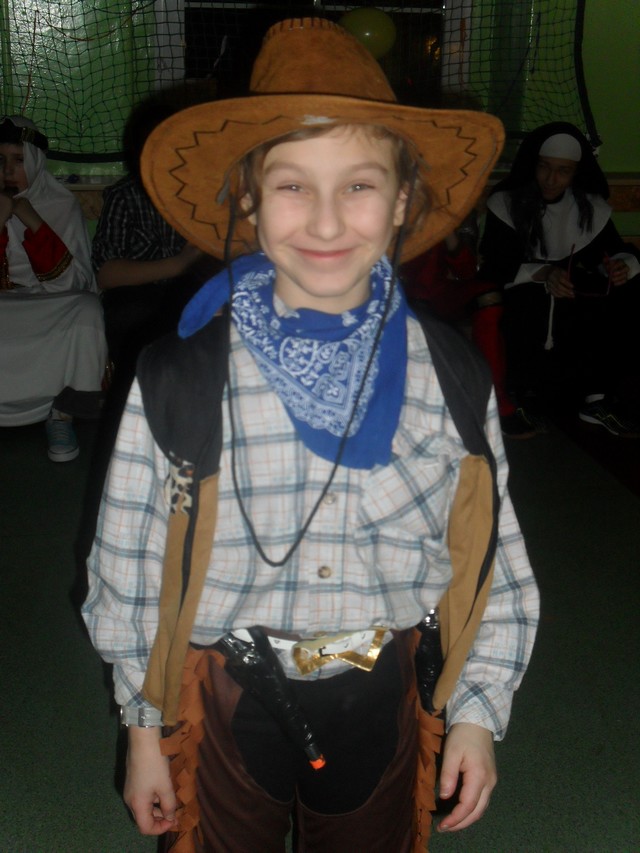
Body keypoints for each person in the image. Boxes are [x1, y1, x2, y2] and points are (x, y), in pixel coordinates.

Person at [82, 18, 539, 852]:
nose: (326, 222)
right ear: (248, 199)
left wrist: (476, 710)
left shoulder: (449, 377)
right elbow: (130, 566)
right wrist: (143, 730)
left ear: (402, 201)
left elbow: (495, 561)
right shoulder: (183, 377)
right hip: (226, 694)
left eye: (359, 185)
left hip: (383, 690)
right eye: (292, 185)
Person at [478, 121, 640, 437]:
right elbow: (496, 265)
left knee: (619, 296)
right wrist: (543, 273)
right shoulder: (506, 204)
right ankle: (519, 397)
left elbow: (612, 253)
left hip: (572, 299)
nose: (552, 179)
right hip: (522, 297)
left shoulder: (589, 208)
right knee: (527, 304)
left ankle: (597, 399)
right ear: (533, 165)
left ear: (575, 173)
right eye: (545, 167)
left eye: (563, 171)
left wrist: (621, 266)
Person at [92, 98, 221, 389]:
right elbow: (106, 274)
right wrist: (178, 265)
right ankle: (133, 396)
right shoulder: (124, 196)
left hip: (191, 290)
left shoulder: (203, 194)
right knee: (132, 312)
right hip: (140, 297)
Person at [0, 115, 107, 461]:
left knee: (87, 309)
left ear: (35, 162)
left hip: (48, 306)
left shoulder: (62, 205)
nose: (8, 171)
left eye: (18, 160)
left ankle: (62, 413)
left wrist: (32, 221)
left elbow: (73, 283)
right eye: (0, 160)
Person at [401, 215, 538, 438]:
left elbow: (466, 272)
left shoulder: (448, 210)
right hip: (396, 295)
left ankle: (498, 404)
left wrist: (448, 232)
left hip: (439, 294)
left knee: (488, 298)